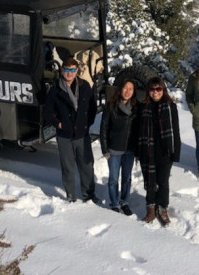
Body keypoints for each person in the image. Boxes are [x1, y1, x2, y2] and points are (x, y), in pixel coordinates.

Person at [43, 56, 98, 204]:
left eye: (72, 70)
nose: (69, 73)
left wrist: (87, 123)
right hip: (65, 135)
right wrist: (58, 124)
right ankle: (71, 195)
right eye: (66, 70)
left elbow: (93, 106)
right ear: (62, 71)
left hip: (82, 134)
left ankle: (89, 195)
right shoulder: (55, 90)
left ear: (76, 71)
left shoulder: (85, 86)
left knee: (86, 166)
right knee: (68, 167)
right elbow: (47, 112)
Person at [138, 76, 181, 226]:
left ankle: (162, 208)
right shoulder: (143, 107)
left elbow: (175, 130)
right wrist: (139, 150)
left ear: (163, 90)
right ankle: (151, 208)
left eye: (158, 89)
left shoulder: (170, 107)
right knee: (150, 182)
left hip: (165, 151)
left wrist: (176, 152)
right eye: (152, 89)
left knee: (163, 182)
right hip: (148, 151)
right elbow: (138, 131)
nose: (155, 92)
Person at [99, 79, 138, 215]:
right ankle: (114, 203)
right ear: (120, 89)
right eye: (125, 88)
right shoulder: (111, 106)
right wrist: (105, 149)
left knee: (127, 178)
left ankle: (124, 201)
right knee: (113, 179)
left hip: (130, 149)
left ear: (134, 92)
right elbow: (104, 128)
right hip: (114, 148)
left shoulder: (136, 108)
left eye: (131, 89)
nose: (127, 91)